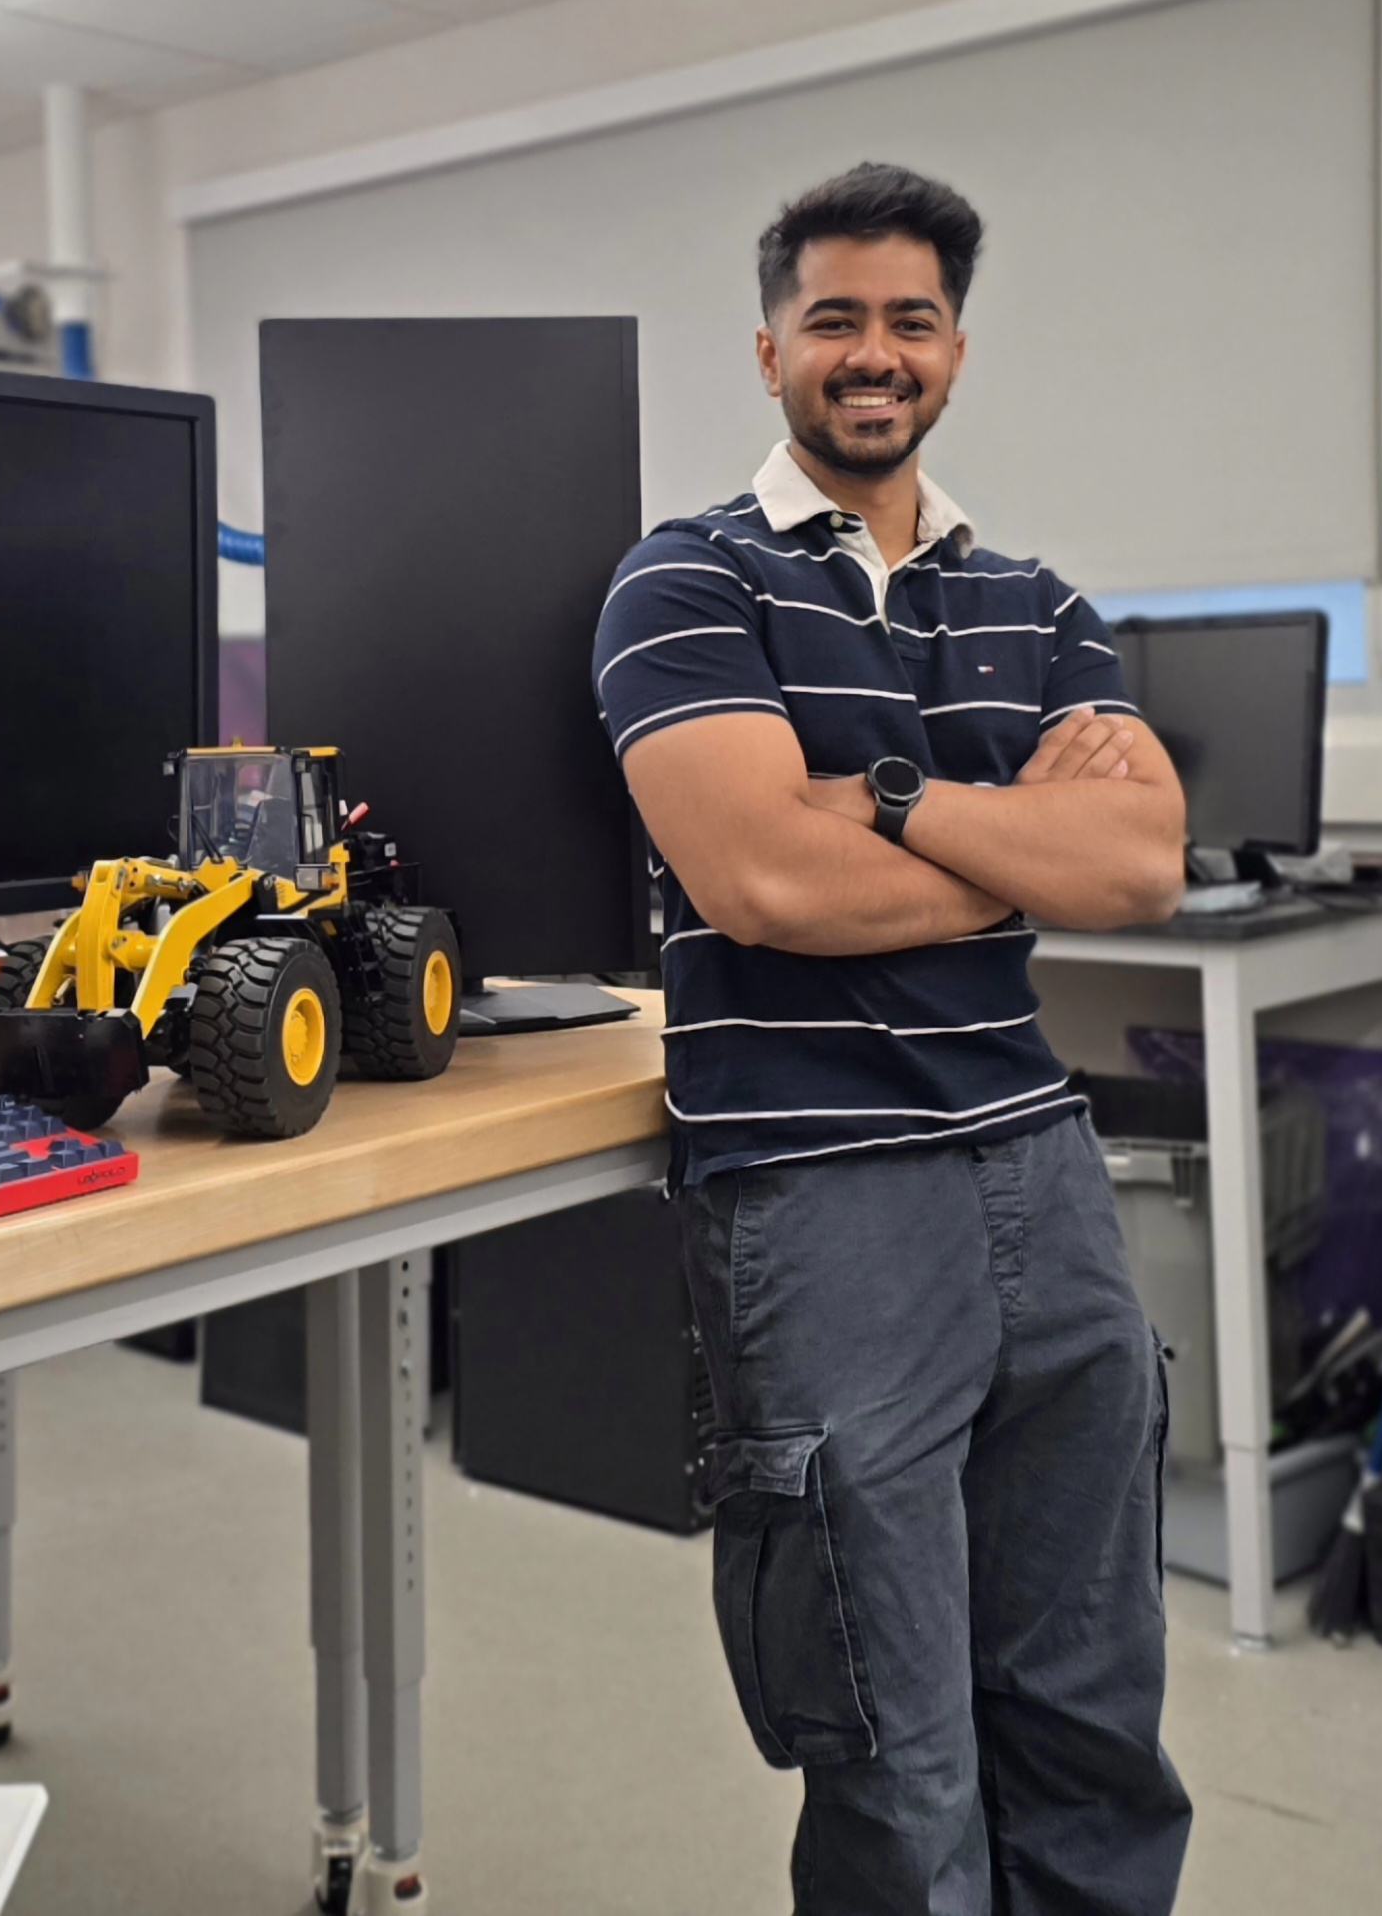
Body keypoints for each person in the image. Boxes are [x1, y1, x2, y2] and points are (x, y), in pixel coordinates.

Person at [592, 162, 1195, 1913]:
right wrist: (1018, 848)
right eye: (836, 319)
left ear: (953, 348)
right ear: (769, 346)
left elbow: (1140, 863)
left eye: (909, 320)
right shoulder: (682, 583)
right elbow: (766, 876)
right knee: (894, 1758)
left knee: (1091, 1716)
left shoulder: (1032, 596)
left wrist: (904, 793)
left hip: (1040, 1173)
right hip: (822, 1192)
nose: (874, 352)